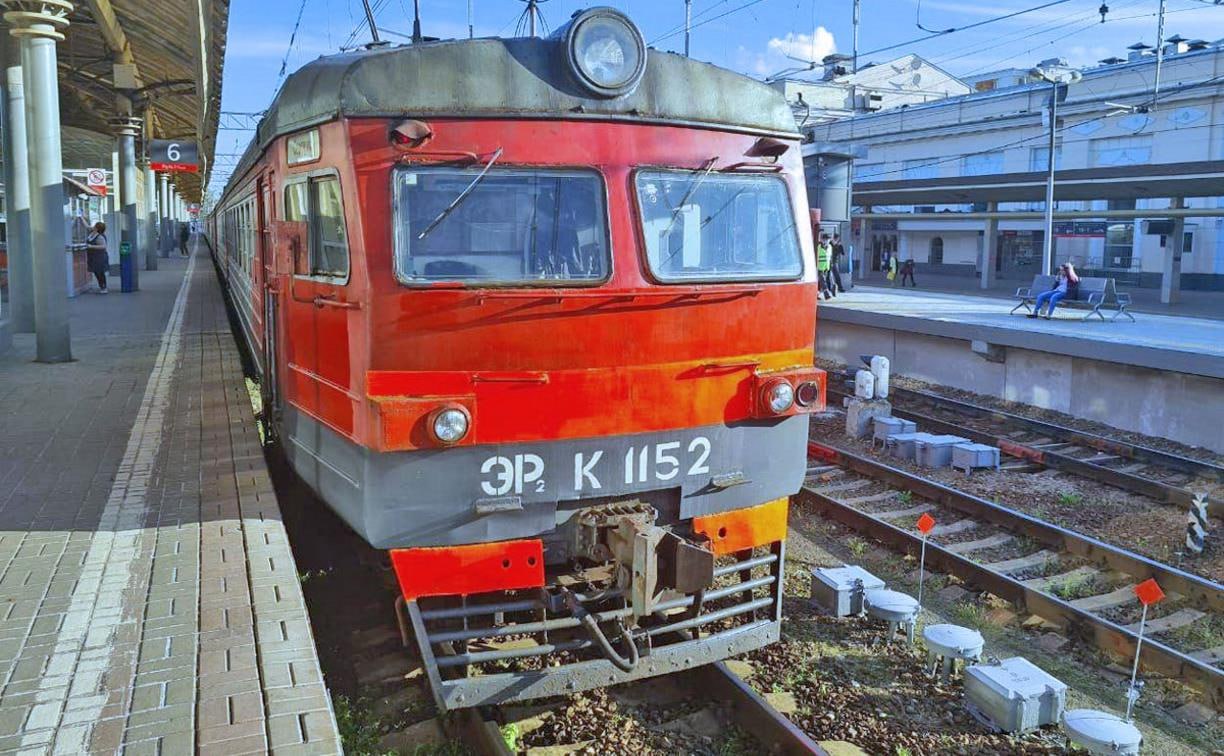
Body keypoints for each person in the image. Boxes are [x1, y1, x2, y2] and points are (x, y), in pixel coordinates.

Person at [86, 221, 109, 294]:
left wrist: (91, 246)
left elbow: (103, 246)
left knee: (100, 272)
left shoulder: (100, 237)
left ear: (97, 228)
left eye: (95, 226)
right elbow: (87, 226)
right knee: (96, 271)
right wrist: (80, 217)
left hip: (100, 257)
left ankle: (104, 287)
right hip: (94, 256)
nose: (93, 226)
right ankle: (102, 286)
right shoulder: (93, 233)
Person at [816, 234, 834, 299]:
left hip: (826, 267)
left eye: (828, 240)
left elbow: (830, 257)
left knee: (821, 282)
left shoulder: (830, 247)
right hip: (819, 267)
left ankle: (817, 294)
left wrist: (831, 265)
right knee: (823, 280)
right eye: (825, 239)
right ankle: (826, 294)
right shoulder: (818, 247)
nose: (826, 241)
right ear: (822, 240)